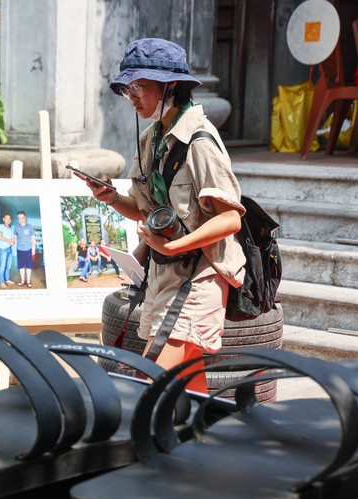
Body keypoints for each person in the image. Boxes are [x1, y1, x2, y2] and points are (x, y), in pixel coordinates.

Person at [84, 38, 245, 394]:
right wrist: (111, 198)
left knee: (149, 386)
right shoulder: (150, 141)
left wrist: (175, 247)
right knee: (186, 385)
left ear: (171, 86)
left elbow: (230, 219)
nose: (132, 96)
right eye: (128, 88)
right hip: (164, 273)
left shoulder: (201, 142)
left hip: (199, 276)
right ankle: (196, 441)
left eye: (140, 86)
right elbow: (144, 210)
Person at [12, 211, 36, 288]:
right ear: (18, 219)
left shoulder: (30, 227)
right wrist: (11, 241)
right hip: (19, 249)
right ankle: (22, 280)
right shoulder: (16, 227)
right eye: (19, 218)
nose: (21, 219)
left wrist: (33, 249)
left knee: (29, 266)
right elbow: (15, 237)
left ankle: (28, 281)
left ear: (25, 218)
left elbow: (33, 238)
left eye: (22, 217)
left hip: (28, 249)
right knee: (21, 266)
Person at [0, 213, 16, 288]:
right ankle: (2, 282)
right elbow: (0, 237)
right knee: (2, 266)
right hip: (3, 249)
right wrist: (9, 241)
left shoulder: (11, 229)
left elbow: (13, 238)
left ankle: (7, 279)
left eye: (10, 218)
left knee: (9, 266)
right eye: (7, 218)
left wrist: (13, 240)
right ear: (3, 219)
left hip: (9, 249)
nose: (8, 220)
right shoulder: (0, 226)